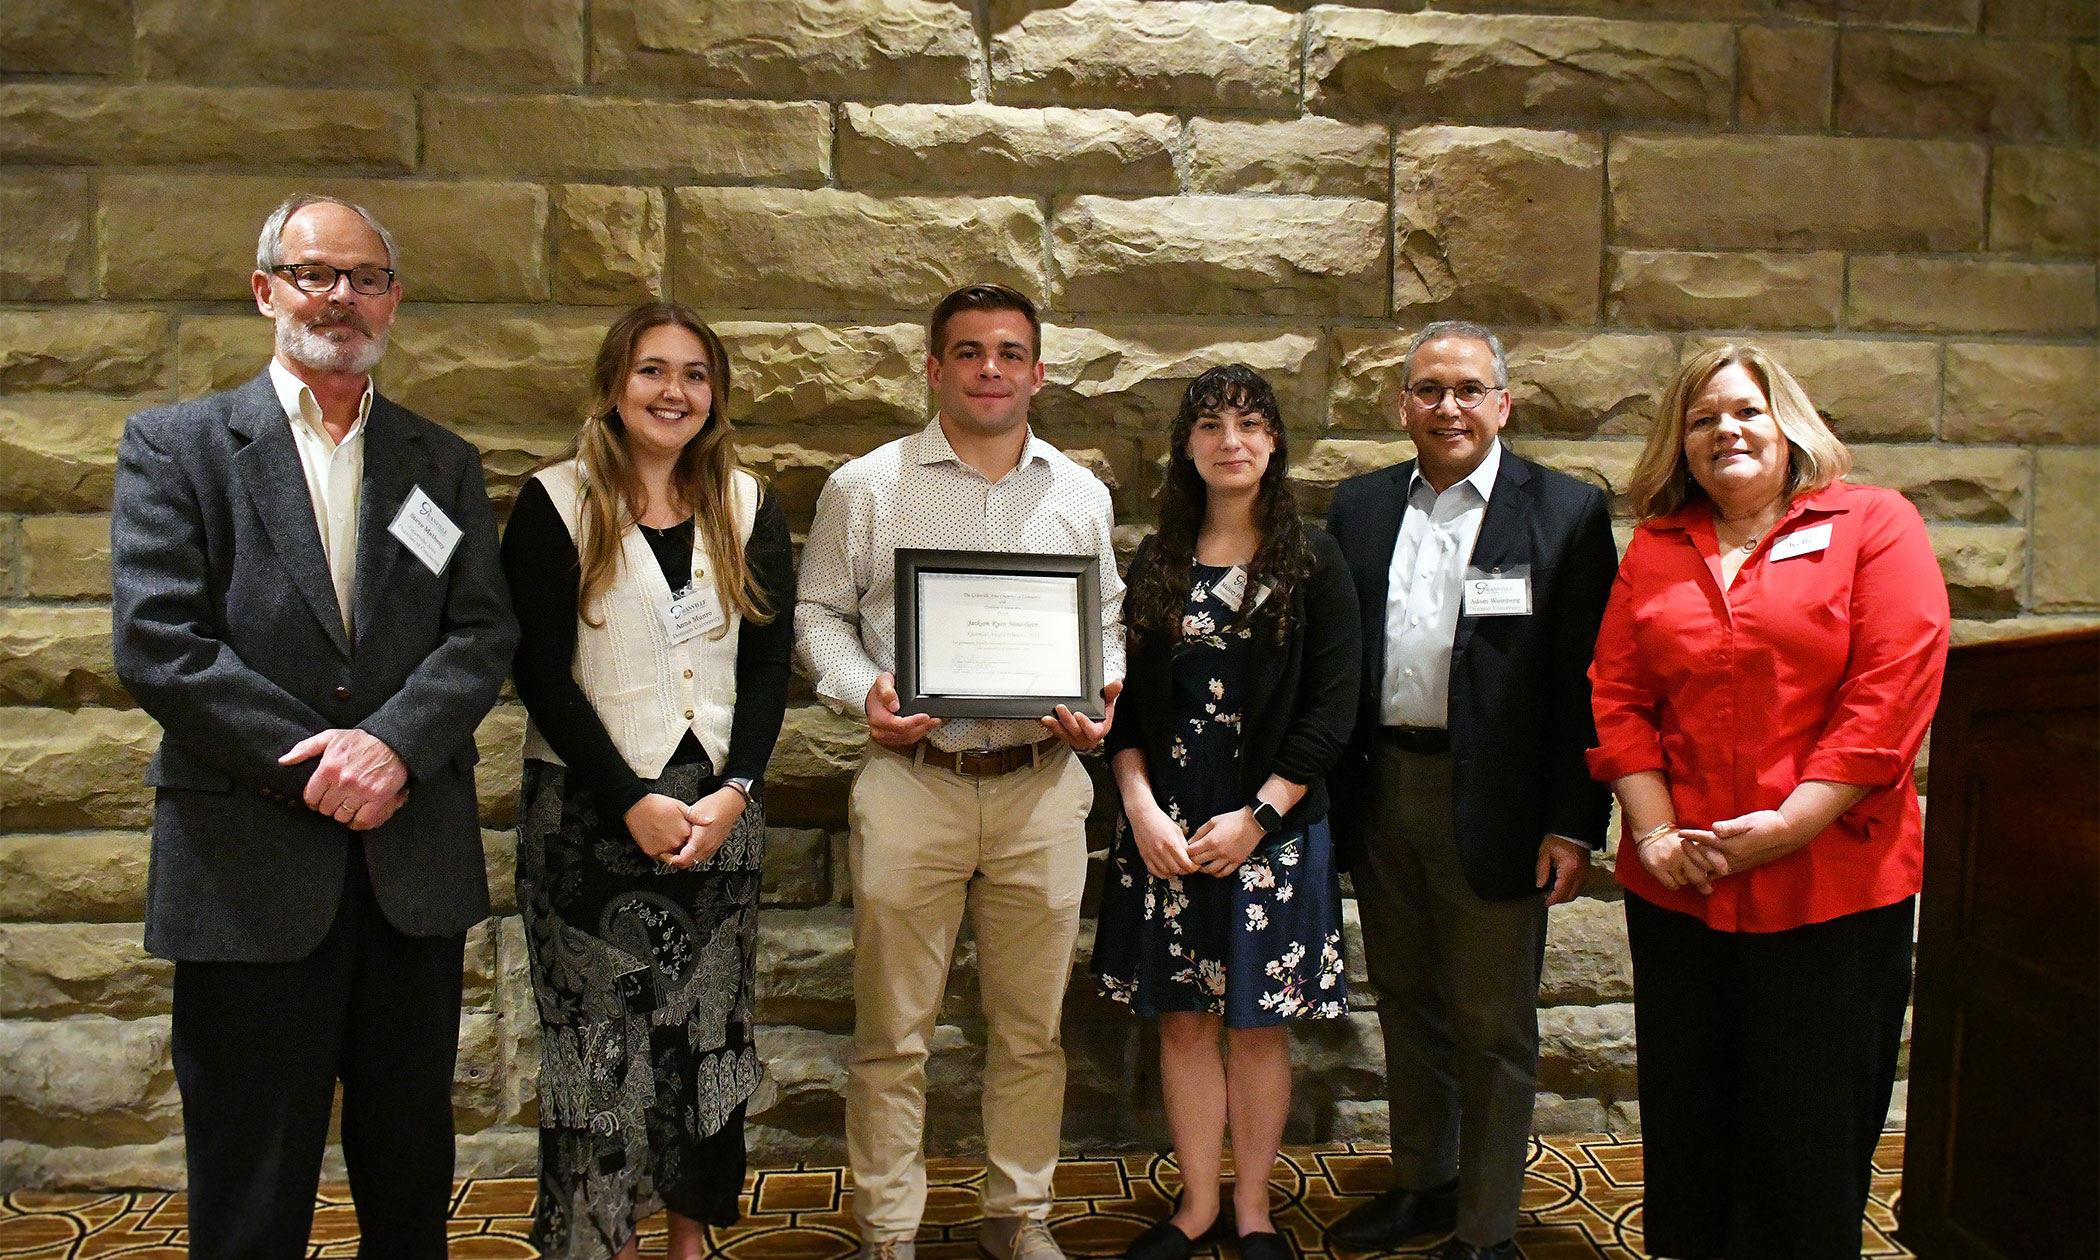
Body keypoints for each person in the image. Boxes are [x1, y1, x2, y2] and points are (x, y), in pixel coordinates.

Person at [109, 194, 517, 1257]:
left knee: (409, 1172)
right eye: (315, 274)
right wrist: (318, 765)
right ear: (266, 291)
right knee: (250, 1182)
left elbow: (481, 634)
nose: (343, 297)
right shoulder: (178, 447)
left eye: (367, 277)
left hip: (407, 872)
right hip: (246, 874)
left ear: (394, 299)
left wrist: (391, 746)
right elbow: (160, 642)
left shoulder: (442, 462)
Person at [1588, 345, 1949, 1260]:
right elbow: (1617, 697)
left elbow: (1891, 691)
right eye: (1703, 419)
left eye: (1745, 411)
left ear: (1787, 423)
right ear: (1682, 443)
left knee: (1811, 1123)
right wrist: (1656, 829)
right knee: (1694, 1110)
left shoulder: (1874, 524)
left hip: (1832, 879)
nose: (1726, 431)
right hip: (1685, 881)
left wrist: (1793, 825)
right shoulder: (1658, 549)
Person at [795, 283, 1124, 1260]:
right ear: (934, 368)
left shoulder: (1082, 494)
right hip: (915, 781)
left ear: (1038, 371)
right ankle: (888, 1232)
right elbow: (818, 616)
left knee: (1032, 1031)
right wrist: (865, 696)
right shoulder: (868, 487)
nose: (992, 369)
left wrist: (1098, 694)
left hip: (1042, 782)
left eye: (1011, 352)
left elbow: (1102, 624)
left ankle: (1018, 1217)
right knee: (893, 1034)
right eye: (970, 351)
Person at [502, 303, 795, 1260]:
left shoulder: (748, 506)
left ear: (715, 397)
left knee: (707, 1040)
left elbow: (764, 666)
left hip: (717, 815)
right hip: (588, 814)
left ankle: (687, 1241)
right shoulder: (554, 504)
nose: (674, 392)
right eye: (653, 371)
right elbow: (540, 673)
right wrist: (629, 796)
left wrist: (737, 788)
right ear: (614, 386)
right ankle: (601, 1244)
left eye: (695, 375)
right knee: (600, 1052)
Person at [1324, 321, 1618, 1260]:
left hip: (1497, 802)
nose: (1446, 406)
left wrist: (1575, 823)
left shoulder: (1565, 512)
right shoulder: (1360, 507)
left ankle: (1487, 1235)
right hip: (1382, 789)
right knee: (1407, 999)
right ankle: (1427, 1184)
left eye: (1466, 389)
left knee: (1493, 1026)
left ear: (1502, 402)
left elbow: (1591, 678)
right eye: (1427, 390)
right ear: (1402, 405)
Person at [1091, 365, 1360, 1260]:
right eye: (1211, 426)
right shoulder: (1157, 561)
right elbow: (1124, 710)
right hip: (1165, 829)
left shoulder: (1314, 559)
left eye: (1249, 424)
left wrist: (1259, 815)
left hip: (1270, 828)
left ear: (1274, 441)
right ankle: (1197, 1204)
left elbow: (1332, 710)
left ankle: (1252, 1210)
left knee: (1255, 1021)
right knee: (1183, 1018)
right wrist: (1137, 809)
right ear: (1188, 446)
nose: (1231, 441)